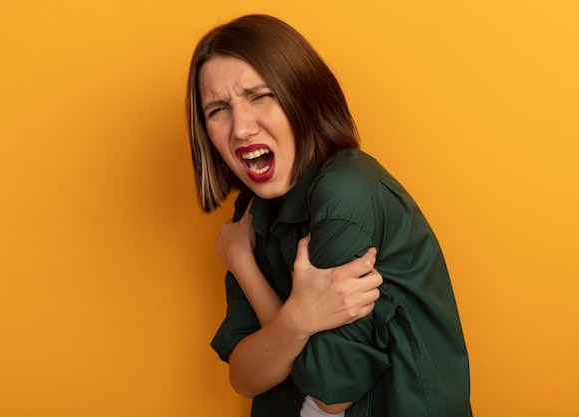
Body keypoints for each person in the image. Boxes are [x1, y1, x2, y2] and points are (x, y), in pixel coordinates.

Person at [186, 14, 472, 417]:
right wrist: (296, 317)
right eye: (217, 109)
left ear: (301, 95)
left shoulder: (346, 195)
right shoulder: (253, 208)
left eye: (260, 96)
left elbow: (332, 392)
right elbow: (245, 377)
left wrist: (254, 277)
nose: (240, 129)